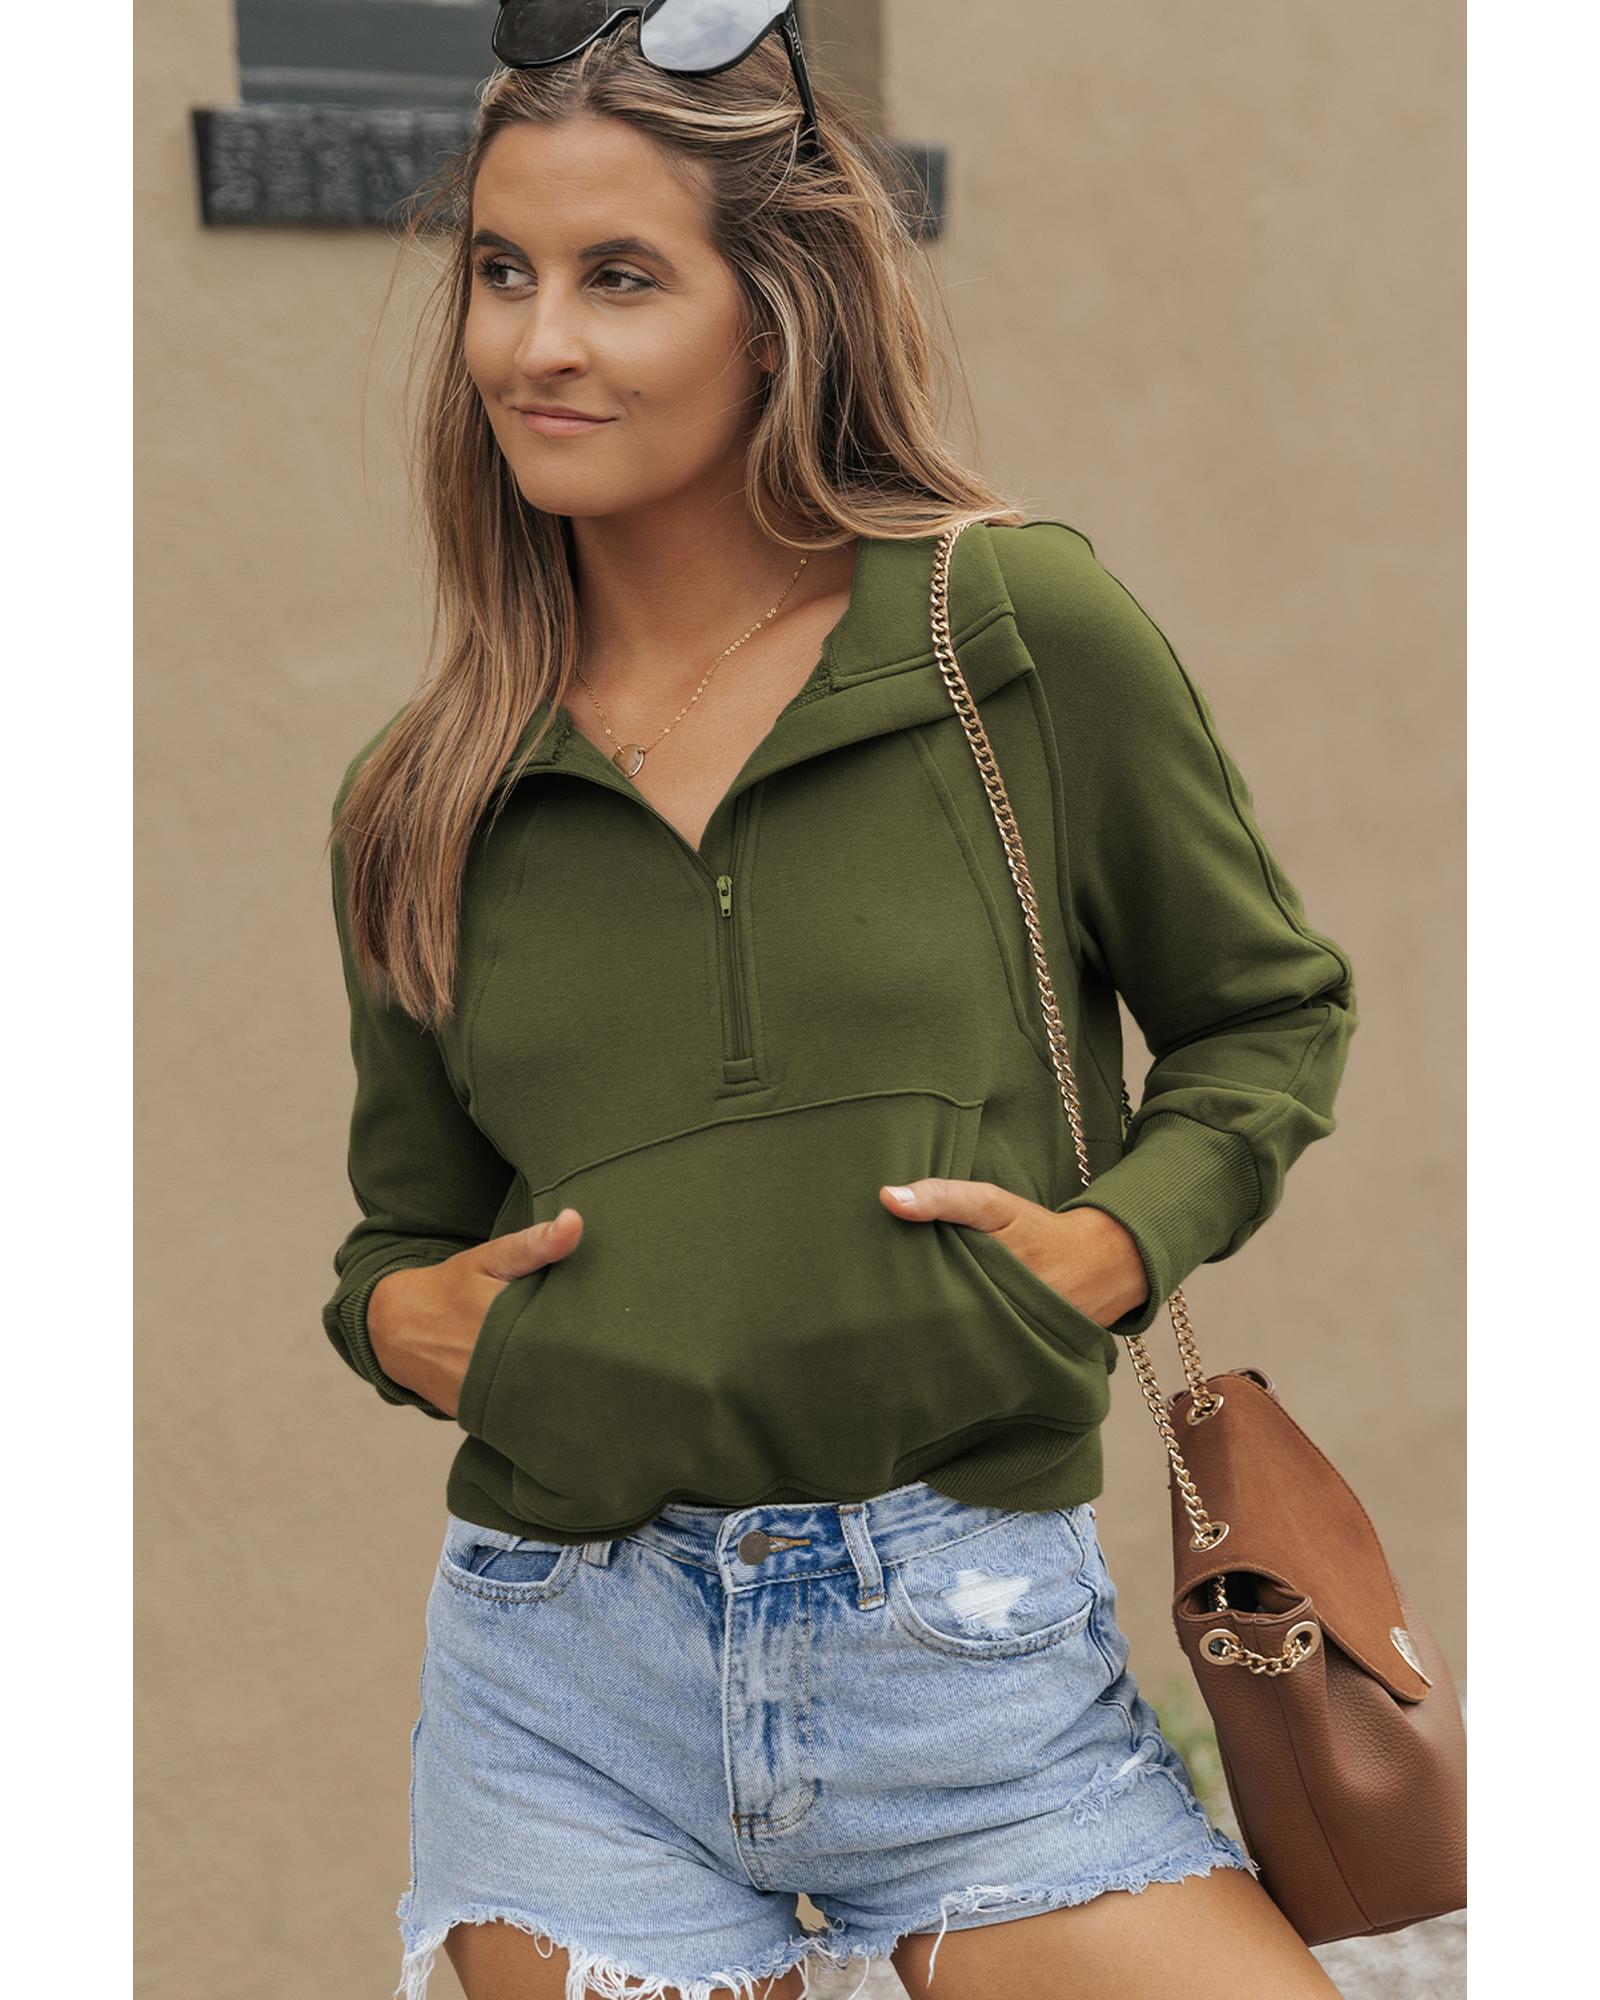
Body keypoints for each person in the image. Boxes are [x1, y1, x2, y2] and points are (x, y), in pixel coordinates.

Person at [321, 11, 1357, 2000]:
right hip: (564, 1681)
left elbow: (1264, 1013)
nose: (539, 343)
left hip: (967, 1658)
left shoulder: (1008, 633)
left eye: (622, 277)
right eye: (502, 273)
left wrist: (1108, 1246)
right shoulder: (423, 789)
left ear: (774, 312)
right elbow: (402, 1226)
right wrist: (393, 1316)